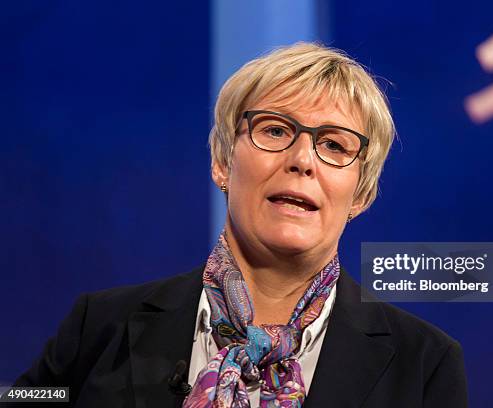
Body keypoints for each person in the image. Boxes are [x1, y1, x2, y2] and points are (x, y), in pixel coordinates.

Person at [12, 43, 468, 407]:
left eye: (333, 144)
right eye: (274, 131)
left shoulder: (424, 363)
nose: (302, 160)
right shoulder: (101, 325)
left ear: (362, 194)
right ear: (222, 162)